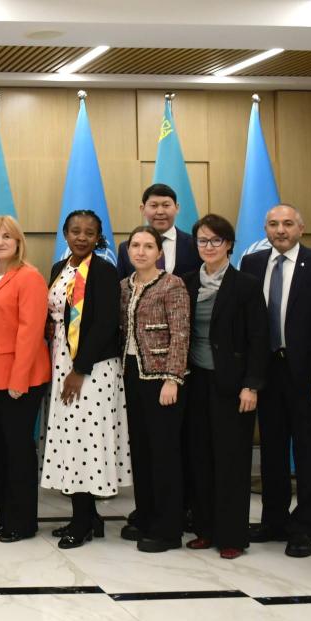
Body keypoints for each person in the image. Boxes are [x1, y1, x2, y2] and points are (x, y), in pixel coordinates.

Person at [241, 204, 311, 558]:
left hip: (309, 375)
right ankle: (274, 520)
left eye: (287, 224)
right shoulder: (252, 263)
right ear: (265, 228)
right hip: (268, 373)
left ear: (301, 228)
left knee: (309, 451)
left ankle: (304, 526)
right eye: (273, 224)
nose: (280, 230)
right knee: (272, 450)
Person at [181, 214, 268, 560]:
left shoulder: (246, 285)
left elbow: (259, 339)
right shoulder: (187, 282)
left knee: (231, 460)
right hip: (195, 382)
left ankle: (232, 535)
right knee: (199, 457)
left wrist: (252, 385)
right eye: (202, 240)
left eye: (216, 240)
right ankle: (205, 529)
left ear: (229, 244)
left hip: (233, 385)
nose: (209, 246)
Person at [43, 210, 130, 550]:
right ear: (65, 234)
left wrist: (80, 369)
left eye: (89, 232)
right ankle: (89, 517)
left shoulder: (103, 270)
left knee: (84, 441)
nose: (81, 237)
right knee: (71, 439)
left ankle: (81, 522)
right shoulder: (59, 267)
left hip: (92, 368)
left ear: (98, 237)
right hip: (61, 359)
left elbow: (106, 323)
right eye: (75, 231)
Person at [0, 216, 50, 543]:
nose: (0, 242)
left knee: (18, 451)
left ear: (19, 242)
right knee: (0, 450)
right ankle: (6, 516)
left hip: (20, 379)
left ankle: (22, 523)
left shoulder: (29, 277)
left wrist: (19, 380)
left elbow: (30, 333)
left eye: (7, 237)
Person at [119, 225, 190, 553]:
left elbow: (181, 333)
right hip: (131, 377)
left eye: (148, 246)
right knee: (141, 452)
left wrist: (172, 378)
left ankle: (168, 529)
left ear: (159, 252)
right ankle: (146, 517)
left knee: (164, 455)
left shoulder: (172, 284)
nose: (141, 251)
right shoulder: (124, 286)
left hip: (162, 381)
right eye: (135, 245)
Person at [116, 184, 200, 279]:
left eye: (166, 205)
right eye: (154, 206)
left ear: (177, 208)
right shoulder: (125, 248)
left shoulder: (195, 245)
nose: (160, 212)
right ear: (142, 209)